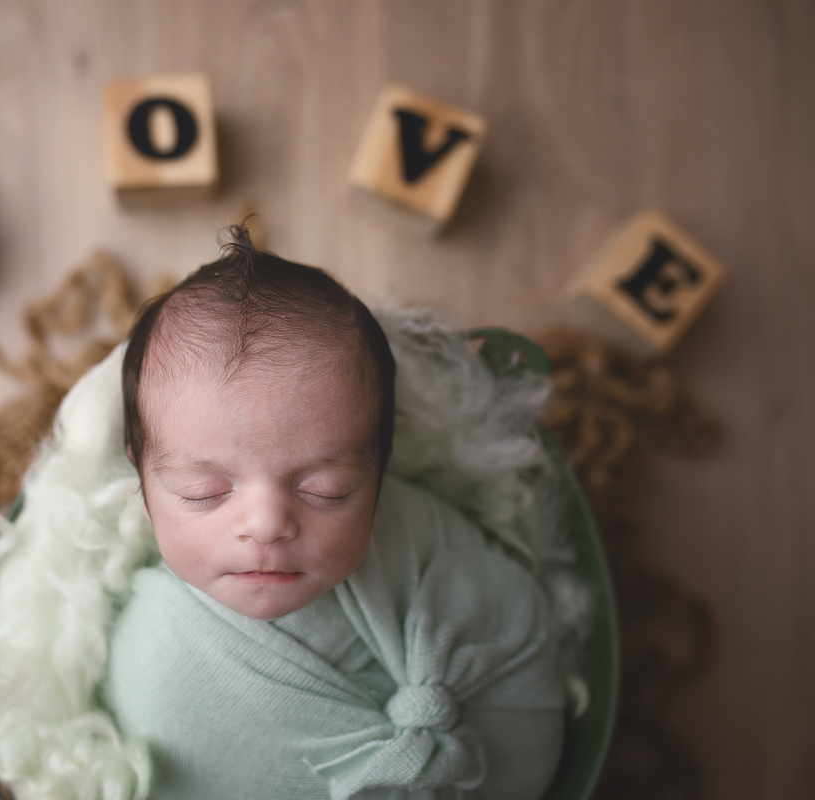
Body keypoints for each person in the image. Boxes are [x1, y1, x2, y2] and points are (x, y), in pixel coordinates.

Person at [101, 227, 567, 800]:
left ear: (380, 472)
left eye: (327, 490)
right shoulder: (147, 650)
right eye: (204, 491)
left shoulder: (416, 532)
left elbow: (517, 634)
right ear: (142, 479)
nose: (266, 524)